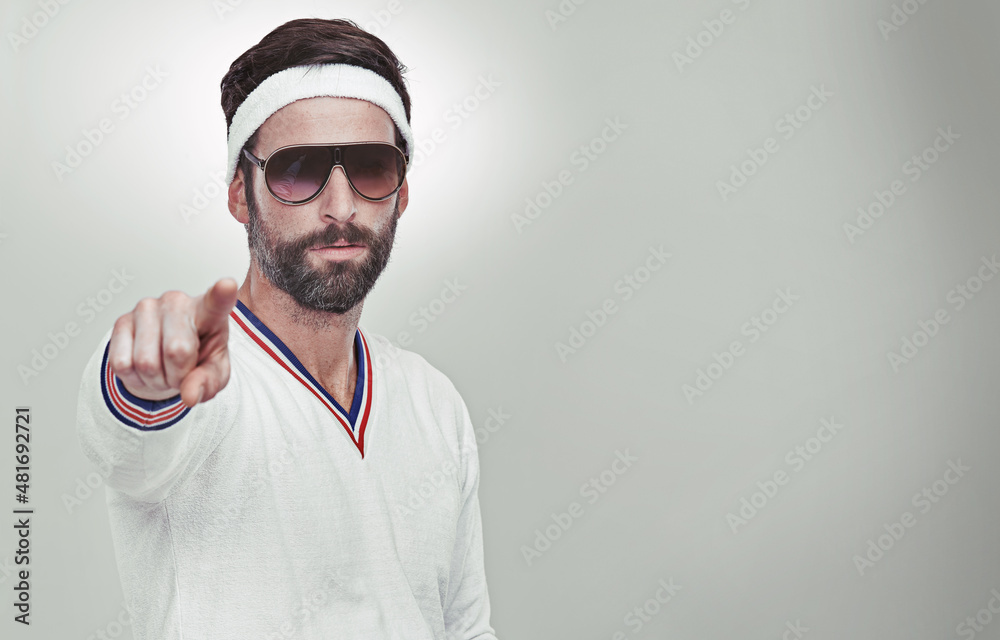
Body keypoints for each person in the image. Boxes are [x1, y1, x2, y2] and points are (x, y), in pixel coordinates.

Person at [75, 18, 498, 640]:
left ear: (402, 193)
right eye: (297, 171)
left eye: (372, 168)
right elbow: (132, 440)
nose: (341, 207)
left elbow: (465, 626)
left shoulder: (433, 399)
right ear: (241, 196)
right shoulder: (199, 379)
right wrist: (145, 384)